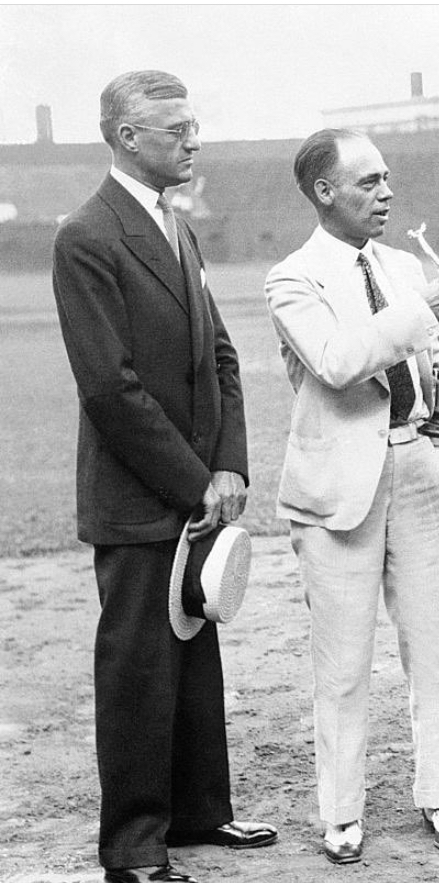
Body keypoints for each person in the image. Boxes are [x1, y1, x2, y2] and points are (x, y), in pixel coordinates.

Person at [51, 70, 276, 883]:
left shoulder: (174, 225)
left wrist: (229, 464)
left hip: (194, 488)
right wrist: (194, 482)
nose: (193, 140)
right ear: (125, 138)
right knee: (140, 668)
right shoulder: (87, 235)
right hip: (139, 498)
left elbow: (219, 353)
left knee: (193, 657)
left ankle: (199, 811)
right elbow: (109, 388)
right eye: (176, 129)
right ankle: (134, 847)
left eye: (194, 125)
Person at [264, 129, 439, 862]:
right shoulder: (291, 277)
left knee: (433, 646)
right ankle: (341, 811)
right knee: (343, 661)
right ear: (324, 192)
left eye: (386, 179)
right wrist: (421, 306)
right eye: (367, 183)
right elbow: (339, 361)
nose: (385, 194)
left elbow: (435, 364)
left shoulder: (400, 263)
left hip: (413, 463)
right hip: (336, 487)